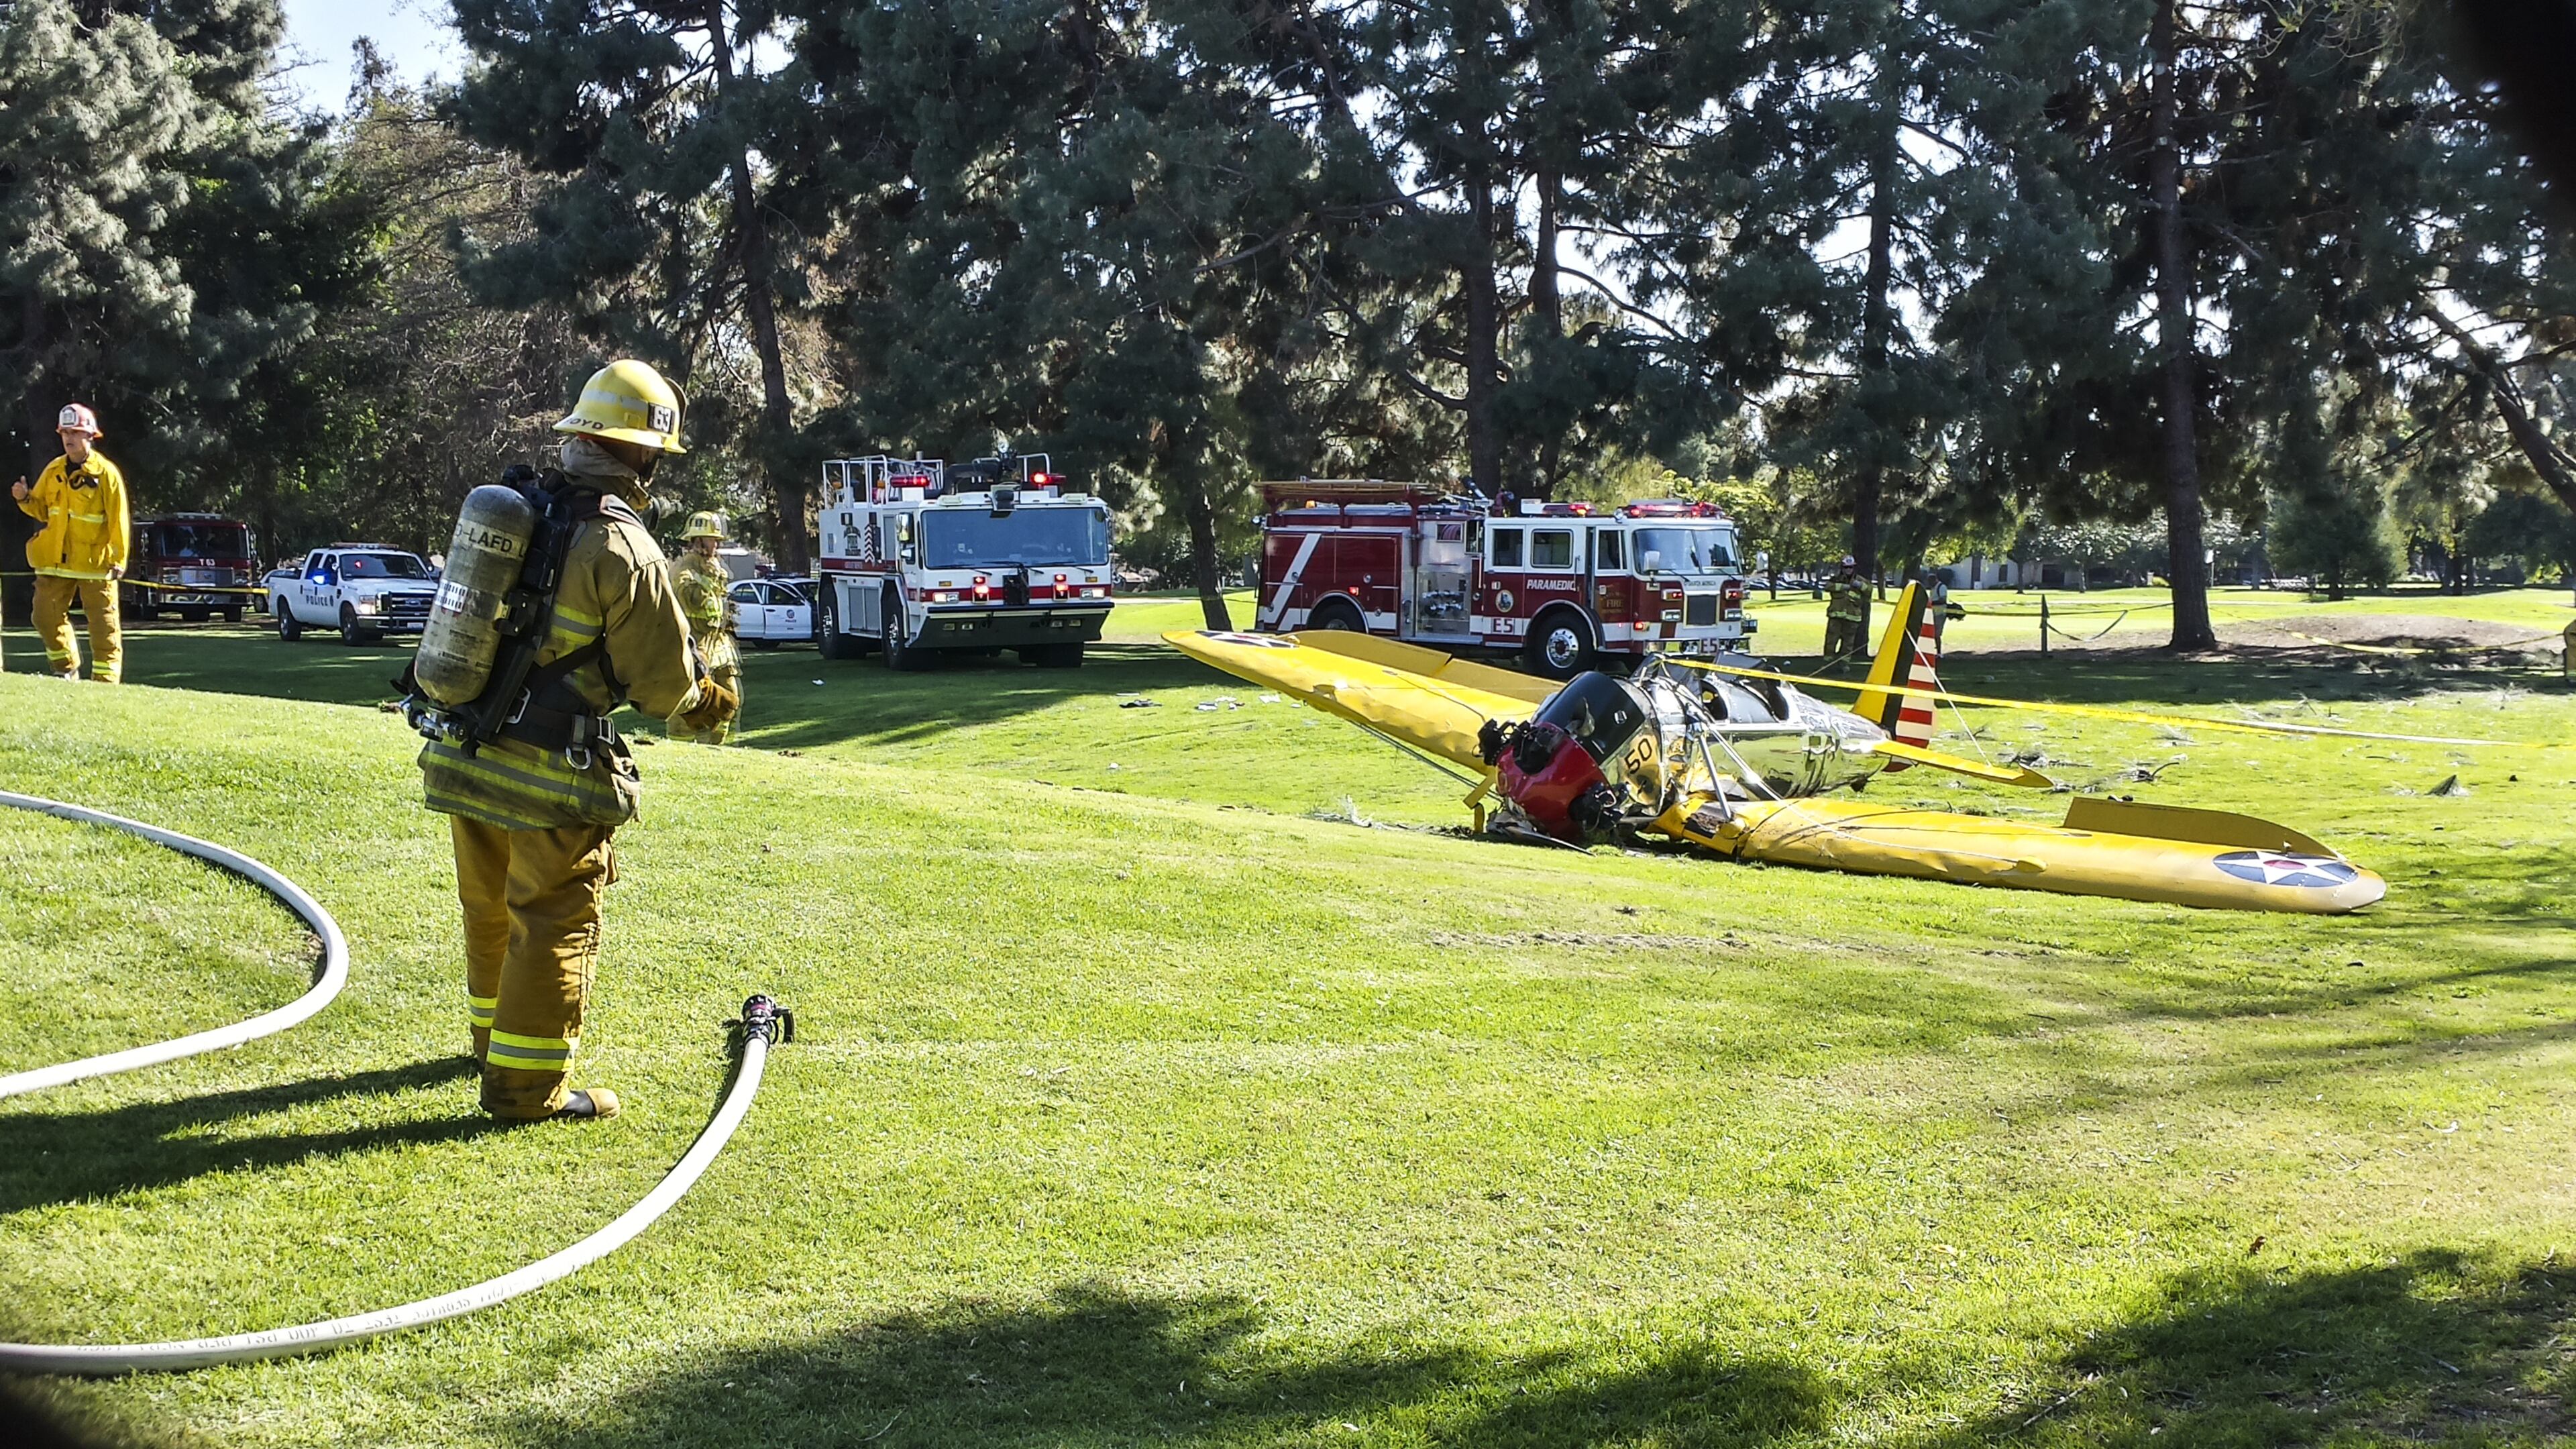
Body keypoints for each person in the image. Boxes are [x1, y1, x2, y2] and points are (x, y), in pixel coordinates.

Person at [417, 360, 739, 1122]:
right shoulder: (621, 547)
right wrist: (706, 703)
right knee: (554, 922)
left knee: (490, 908)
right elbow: (664, 687)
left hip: (467, 748)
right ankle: (527, 1092)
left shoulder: (519, 507)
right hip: (550, 776)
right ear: (644, 453)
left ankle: (490, 1045)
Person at [11, 405, 129, 682]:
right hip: (55, 562)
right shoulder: (53, 470)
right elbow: (42, 509)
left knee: (105, 628)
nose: (69, 438)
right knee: (43, 617)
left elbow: (119, 520)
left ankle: (106, 682)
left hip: (95, 564)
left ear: (90, 436)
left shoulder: (106, 475)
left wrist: (119, 558)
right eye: (65, 432)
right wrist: (25, 498)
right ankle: (66, 669)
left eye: (75, 432)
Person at [669, 512, 739, 744]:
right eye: (712, 539)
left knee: (730, 695)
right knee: (689, 698)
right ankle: (681, 746)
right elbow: (687, 594)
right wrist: (707, 587)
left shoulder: (716, 565)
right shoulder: (683, 567)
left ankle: (718, 747)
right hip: (694, 642)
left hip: (718, 641)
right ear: (698, 540)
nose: (717, 544)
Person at [1822, 554, 1872, 660]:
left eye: (1851, 567)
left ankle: (1844, 664)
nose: (1848, 570)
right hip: (1836, 617)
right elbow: (1827, 587)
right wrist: (1843, 587)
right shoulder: (1836, 579)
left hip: (1852, 617)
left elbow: (1869, 590)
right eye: (1846, 567)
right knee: (1831, 641)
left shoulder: (1860, 580)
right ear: (1842, 568)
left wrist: (1860, 585)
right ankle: (1827, 663)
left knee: (1848, 644)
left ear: (1854, 568)